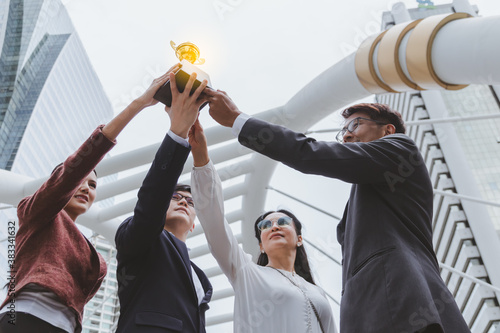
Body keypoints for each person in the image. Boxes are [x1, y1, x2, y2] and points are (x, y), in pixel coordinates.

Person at [204, 90, 470, 333]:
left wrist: (239, 120)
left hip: (400, 302)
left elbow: (309, 153)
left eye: (355, 124)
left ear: (388, 130)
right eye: (343, 130)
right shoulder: (369, 191)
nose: (347, 135)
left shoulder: (400, 150)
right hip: (371, 311)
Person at [0, 64, 182, 333]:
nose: (86, 188)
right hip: (24, 318)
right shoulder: (35, 211)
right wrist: (140, 103)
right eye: (81, 181)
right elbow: (73, 171)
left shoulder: (96, 258)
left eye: (93, 185)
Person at [189, 119, 336, 333]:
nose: (274, 227)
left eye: (283, 222)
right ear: (260, 245)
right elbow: (214, 221)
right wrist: (201, 157)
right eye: (265, 225)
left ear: (299, 238)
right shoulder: (247, 274)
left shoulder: (317, 293)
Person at [114, 72, 212, 332]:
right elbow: (151, 203)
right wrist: (177, 133)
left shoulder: (201, 277)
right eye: (176, 197)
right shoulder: (140, 238)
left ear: (193, 224)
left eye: (191, 203)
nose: (183, 202)